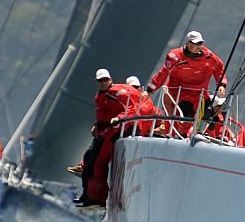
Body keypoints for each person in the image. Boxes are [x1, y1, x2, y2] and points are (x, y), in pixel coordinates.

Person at [83, 68, 138, 206]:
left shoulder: (119, 91)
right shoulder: (99, 96)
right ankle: (92, 196)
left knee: (99, 162)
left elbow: (132, 108)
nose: (103, 83)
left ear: (110, 80)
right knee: (91, 160)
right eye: (100, 81)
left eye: (105, 80)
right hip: (104, 131)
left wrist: (119, 118)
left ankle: (97, 198)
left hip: (117, 130)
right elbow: (103, 115)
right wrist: (97, 125)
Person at [146, 30, 228, 121]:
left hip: (200, 93)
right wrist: (150, 90)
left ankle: (199, 134)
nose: (199, 46)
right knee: (186, 116)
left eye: (200, 43)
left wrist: (221, 84)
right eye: (196, 43)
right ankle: (183, 133)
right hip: (180, 93)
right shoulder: (175, 56)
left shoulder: (208, 55)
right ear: (188, 44)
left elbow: (219, 67)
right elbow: (163, 72)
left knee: (209, 119)